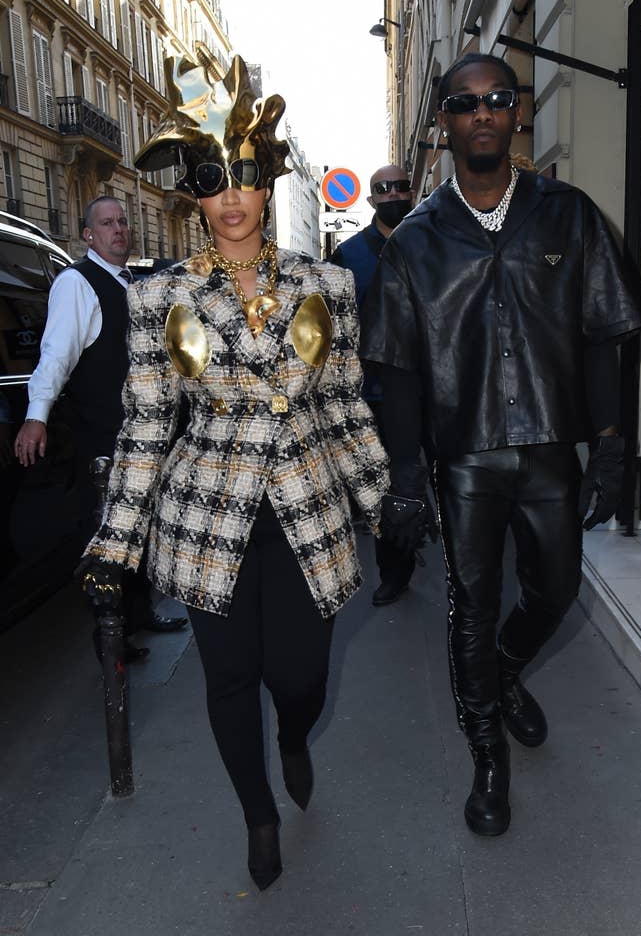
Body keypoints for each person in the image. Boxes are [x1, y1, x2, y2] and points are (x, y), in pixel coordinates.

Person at [76, 55, 388, 889]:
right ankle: (256, 811)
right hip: (207, 517)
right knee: (230, 676)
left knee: (301, 677)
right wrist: (114, 543)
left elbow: (349, 402)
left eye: (247, 173)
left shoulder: (328, 284)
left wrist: (382, 496)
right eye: (214, 178)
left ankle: (293, 734)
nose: (234, 195)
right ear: (194, 192)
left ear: (268, 177)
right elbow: (145, 426)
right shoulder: (160, 300)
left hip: (306, 507)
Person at [361, 53, 641, 836]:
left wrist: (611, 447)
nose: (482, 112)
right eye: (463, 102)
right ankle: (487, 755)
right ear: (444, 124)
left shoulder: (569, 214)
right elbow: (403, 373)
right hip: (466, 457)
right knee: (470, 606)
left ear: (517, 113)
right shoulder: (414, 241)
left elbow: (604, 340)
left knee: (555, 589)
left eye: (497, 99)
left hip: (551, 445)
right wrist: (407, 475)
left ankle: (507, 673)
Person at [13, 197, 187, 660]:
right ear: (88, 235)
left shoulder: (129, 282)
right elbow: (56, 354)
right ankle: (111, 637)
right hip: (104, 434)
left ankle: (139, 612)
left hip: (141, 434)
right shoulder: (77, 283)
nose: (119, 230)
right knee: (113, 533)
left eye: (123, 222)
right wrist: (36, 415)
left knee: (143, 528)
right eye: (107, 224)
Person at [331, 165, 417, 606]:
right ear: (371, 201)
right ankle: (395, 570)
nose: (393, 195)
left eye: (401, 187)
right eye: (384, 190)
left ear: (413, 190)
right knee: (386, 486)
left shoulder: (432, 244)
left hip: (430, 391)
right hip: (375, 396)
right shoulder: (347, 258)